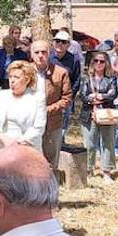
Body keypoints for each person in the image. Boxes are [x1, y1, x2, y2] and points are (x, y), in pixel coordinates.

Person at [0, 60, 46, 150]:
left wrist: (18, 141)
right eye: (10, 77)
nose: (12, 80)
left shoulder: (38, 97)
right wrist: (4, 139)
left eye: (16, 77)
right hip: (4, 147)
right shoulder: (1, 96)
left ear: (27, 80)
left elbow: (39, 127)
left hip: (28, 147)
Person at [79, 52, 118, 184]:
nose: (99, 63)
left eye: (102, 61)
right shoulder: (86, 78)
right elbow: (83, 96)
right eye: (96, 61)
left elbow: (113, 94)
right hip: (89, 114)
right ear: (92, 62)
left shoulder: (111, 78)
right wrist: (92, 99)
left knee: (108, 143)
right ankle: (89, 169)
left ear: (106, 63)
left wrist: (100, 96)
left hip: (107, 114)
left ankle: (107, 171)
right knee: (89, 143)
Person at [31, 41, 71, 169]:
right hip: (29, 122)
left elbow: (67, 98)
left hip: (53, 122)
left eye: (44, 52)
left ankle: (51, 186)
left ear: (49, 53)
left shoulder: (60, 72)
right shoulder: (25, 72)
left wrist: (48, 109)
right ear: (31, 54)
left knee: (51, 159)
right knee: (31, 157)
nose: (40, 55)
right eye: (36, 52)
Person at [51, 30, 81, 139]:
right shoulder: (48, 57)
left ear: (68, 45)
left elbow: (77, 79)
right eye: (57, 41)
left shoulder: (74, 59)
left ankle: (61, 144)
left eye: (63, 42)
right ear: (53, 43)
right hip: (49, 98)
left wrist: (69, 96)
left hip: (65, 98)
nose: (60, 44)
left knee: (63, 124)